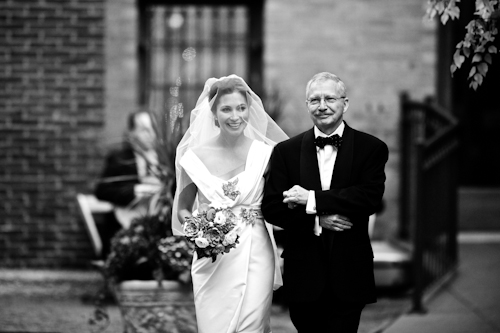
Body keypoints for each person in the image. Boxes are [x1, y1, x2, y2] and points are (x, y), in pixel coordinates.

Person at [262, 72, 389, 332]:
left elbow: (368, 198)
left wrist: (310, 199)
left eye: (330, 98)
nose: (322, 106)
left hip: (350, 271)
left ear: (345, 103)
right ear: (306, 105)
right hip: (303, 274)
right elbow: (272, 207)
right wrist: (317, 219)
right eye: (314, 100)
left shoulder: (371, 148)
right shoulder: (286, 152)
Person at [172, 75, 288, 333]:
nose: (235, 116)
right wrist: (197, 227)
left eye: (241, 108)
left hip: (256, 251)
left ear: (249, 110)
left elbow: (278, 201)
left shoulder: (265, 154)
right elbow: (182, 208)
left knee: (252, 326)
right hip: (212, 256)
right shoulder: (194, 158)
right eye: (226, 109)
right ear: (213, 113)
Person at [94, 110, 161, 256]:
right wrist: (134, 191)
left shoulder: (166, 159)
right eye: (144, 130)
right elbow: (102, 190)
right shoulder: (119, 158)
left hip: (160, 229)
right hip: (125, 227)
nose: (151, 134)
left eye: (153, 129)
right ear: (131, 133)